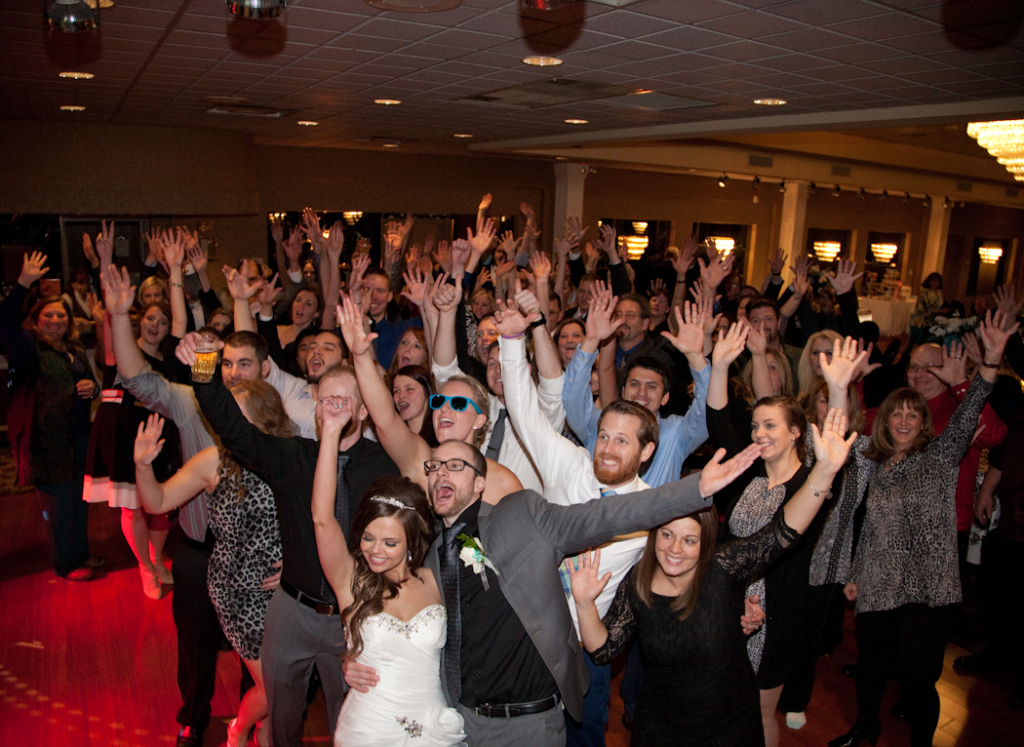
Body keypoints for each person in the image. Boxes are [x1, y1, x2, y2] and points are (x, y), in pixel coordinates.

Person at [345, 436, 764, 746]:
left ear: (479, 483)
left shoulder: (522, 514)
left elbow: (602, 516)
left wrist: (694, 490)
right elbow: (396, 614)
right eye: (435, 465)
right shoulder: (430, 554)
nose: (441, 472)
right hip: (462, 725)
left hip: (529, 724)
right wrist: (358, 658)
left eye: (456, 465)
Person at [568, 408, 856, 747]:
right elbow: (604, 650)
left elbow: (781, 533)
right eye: (667, 535)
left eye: (689, 540)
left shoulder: (723, 568)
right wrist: (584, 603)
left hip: (728, 725)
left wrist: (824, 471)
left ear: (705, 542)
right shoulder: (639, 584)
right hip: (661, 727)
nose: (675, 549)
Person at [179, 340, 401, 747]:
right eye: (326, 399)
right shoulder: (294, 457)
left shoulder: (385, 467)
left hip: (352, 616)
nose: (333, 408)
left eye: (344, 400)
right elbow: (235, 431)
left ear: (364, 411)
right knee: (281, 716)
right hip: (290, 611)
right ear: (315, 408)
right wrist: (205, 366)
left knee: (348, 722)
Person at [814, 310, 1016, 747]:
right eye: (896, 415)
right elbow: (871, 523)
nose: (904, 421)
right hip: (879, 580)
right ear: (885, 421)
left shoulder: (941, 458)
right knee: (870, 666)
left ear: (923, 422)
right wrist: (856, 573)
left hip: (929, 588)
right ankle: (865, 726)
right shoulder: (873, 460)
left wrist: (990, 362)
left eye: (912, 415)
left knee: (917, 677)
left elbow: (972, 409)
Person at [708, 323, 864, 746]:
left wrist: (837, 389)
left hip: (778, 616)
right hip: (727, 606)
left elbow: (833, 448)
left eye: (770, 426)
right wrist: (718, 366)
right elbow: (719, 422)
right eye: (755, 426)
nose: (759, 433)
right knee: (723, 701)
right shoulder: (747, 475)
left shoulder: (809, 486)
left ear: (796, 431)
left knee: (760, 710)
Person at [135, 379, 290, 747]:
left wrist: (292, 562)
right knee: (275, 686)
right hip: (235, 590)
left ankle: (264, 735)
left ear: (264, 417)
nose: (222, 420)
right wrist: (142, 466)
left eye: (231, 412)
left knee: (281, 681)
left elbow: (312, 517)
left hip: (282, 591)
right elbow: (157, 502)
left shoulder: (290, 455)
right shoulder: (214, 460)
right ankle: (238, 730)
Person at [311, 393, 464, 746]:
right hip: (369, 728)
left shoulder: (437, 579)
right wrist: (331, 432)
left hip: (433, 726)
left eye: (390, 543)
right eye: (368, 538)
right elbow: (322, 518)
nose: (375, 551)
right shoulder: (350, 581)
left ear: (412, 543)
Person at [338, 293, 524, 504]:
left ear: (479, 420)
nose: (444, 409)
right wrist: (360, 356)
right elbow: (386, 421)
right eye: (439, 402)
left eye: (458, 403)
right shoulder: (422, 462)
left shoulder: (502, 482)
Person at [1, 251, 101, 581]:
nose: (56, 320)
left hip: (78, 439)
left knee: (79, 501)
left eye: (61, 315)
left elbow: (93, 385)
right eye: (49, 315)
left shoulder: (74, 350)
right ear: (37, 318)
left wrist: (92, 388)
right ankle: (66, 563)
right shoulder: (28, 348)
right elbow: (4, 323)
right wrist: (23, 283)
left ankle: (81, 553)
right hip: (45, 444)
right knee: (59, 507)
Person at [563, 287, 709, 488]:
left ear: (665, 397)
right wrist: (590, 341)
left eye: (651, 387)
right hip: (598, 507)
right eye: (634, 384)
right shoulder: (599, 425)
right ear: (623, 392)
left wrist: (695, 358)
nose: (641, 392)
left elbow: (708, 410)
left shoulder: (676, 434)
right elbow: (573, 398)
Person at [390, 364, 439, 447]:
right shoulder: (392, 440)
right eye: (397, 391)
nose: (401, 395)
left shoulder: (440, 437)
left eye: (409, 389)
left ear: (427, 394)